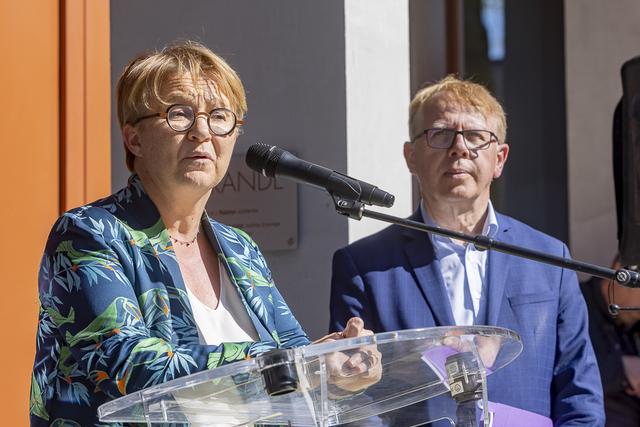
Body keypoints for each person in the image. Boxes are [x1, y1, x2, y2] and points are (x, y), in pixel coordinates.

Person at [30, 41, 377, 426]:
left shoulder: (240, 249)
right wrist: (291, 365)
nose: (201, 131)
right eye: (178, 115)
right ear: (134, 139)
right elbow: (127, 366)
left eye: (219, 116)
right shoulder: (89, 234)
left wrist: (340, 367)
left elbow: (294, 354)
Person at [329, 76, 604, 424]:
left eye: (476, 137)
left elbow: (579, 393)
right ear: (410, 156)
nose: (459, 149)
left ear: (499, 158)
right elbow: (355, 400)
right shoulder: (364, 267)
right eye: (440, 134)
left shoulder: (550, 259)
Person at [581, 259, 640, 427]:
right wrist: (623, 368)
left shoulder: (631, 325)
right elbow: (558, 367)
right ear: (621, 271)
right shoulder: (575, 304)